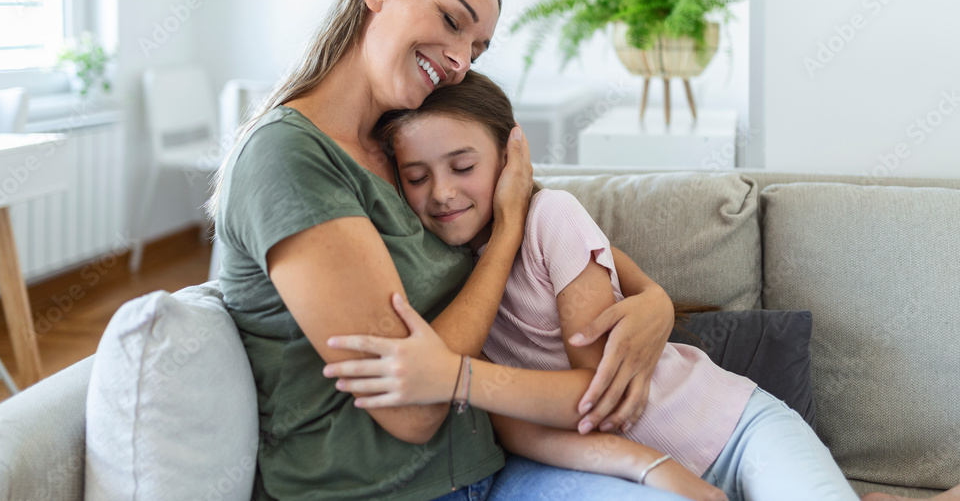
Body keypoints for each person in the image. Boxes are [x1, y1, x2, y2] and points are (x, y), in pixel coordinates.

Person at [323, 71, 960, 501]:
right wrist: (652, 468)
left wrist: (455, 374)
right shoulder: (440, 274)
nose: (442, 193)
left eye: (463, 166)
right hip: (647, 470)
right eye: (416, 176)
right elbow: (517, 430)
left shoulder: (552, 217)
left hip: (737, 429)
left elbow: (596, 397)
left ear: (511, 157)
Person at [208, 0, 683, 500]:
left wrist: (656, 299)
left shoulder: (402, 149)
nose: (460, 61)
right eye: (453, 21)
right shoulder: (288, 157)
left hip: (497, 462)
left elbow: (552, 227)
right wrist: (505, 234)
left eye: (478, 50)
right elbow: (413, 412)